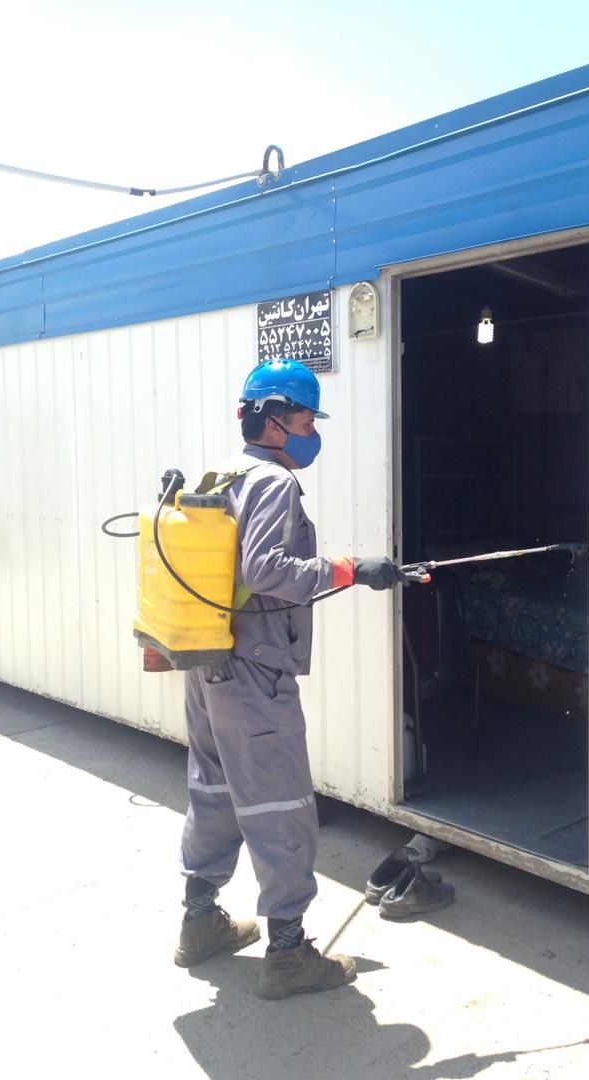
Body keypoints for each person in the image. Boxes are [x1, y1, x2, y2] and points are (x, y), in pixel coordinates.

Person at [175, 357, 417, 999]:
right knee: (279, 802)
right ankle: (287, 955)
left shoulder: (223, 474)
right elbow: (267, 570)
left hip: (207, 662)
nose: (313, 432)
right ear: (275, 420)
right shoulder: (274, 482)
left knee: (213, 789)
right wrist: (351, 570)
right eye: (308, 420)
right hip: (254, 672)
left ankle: (199, 922)